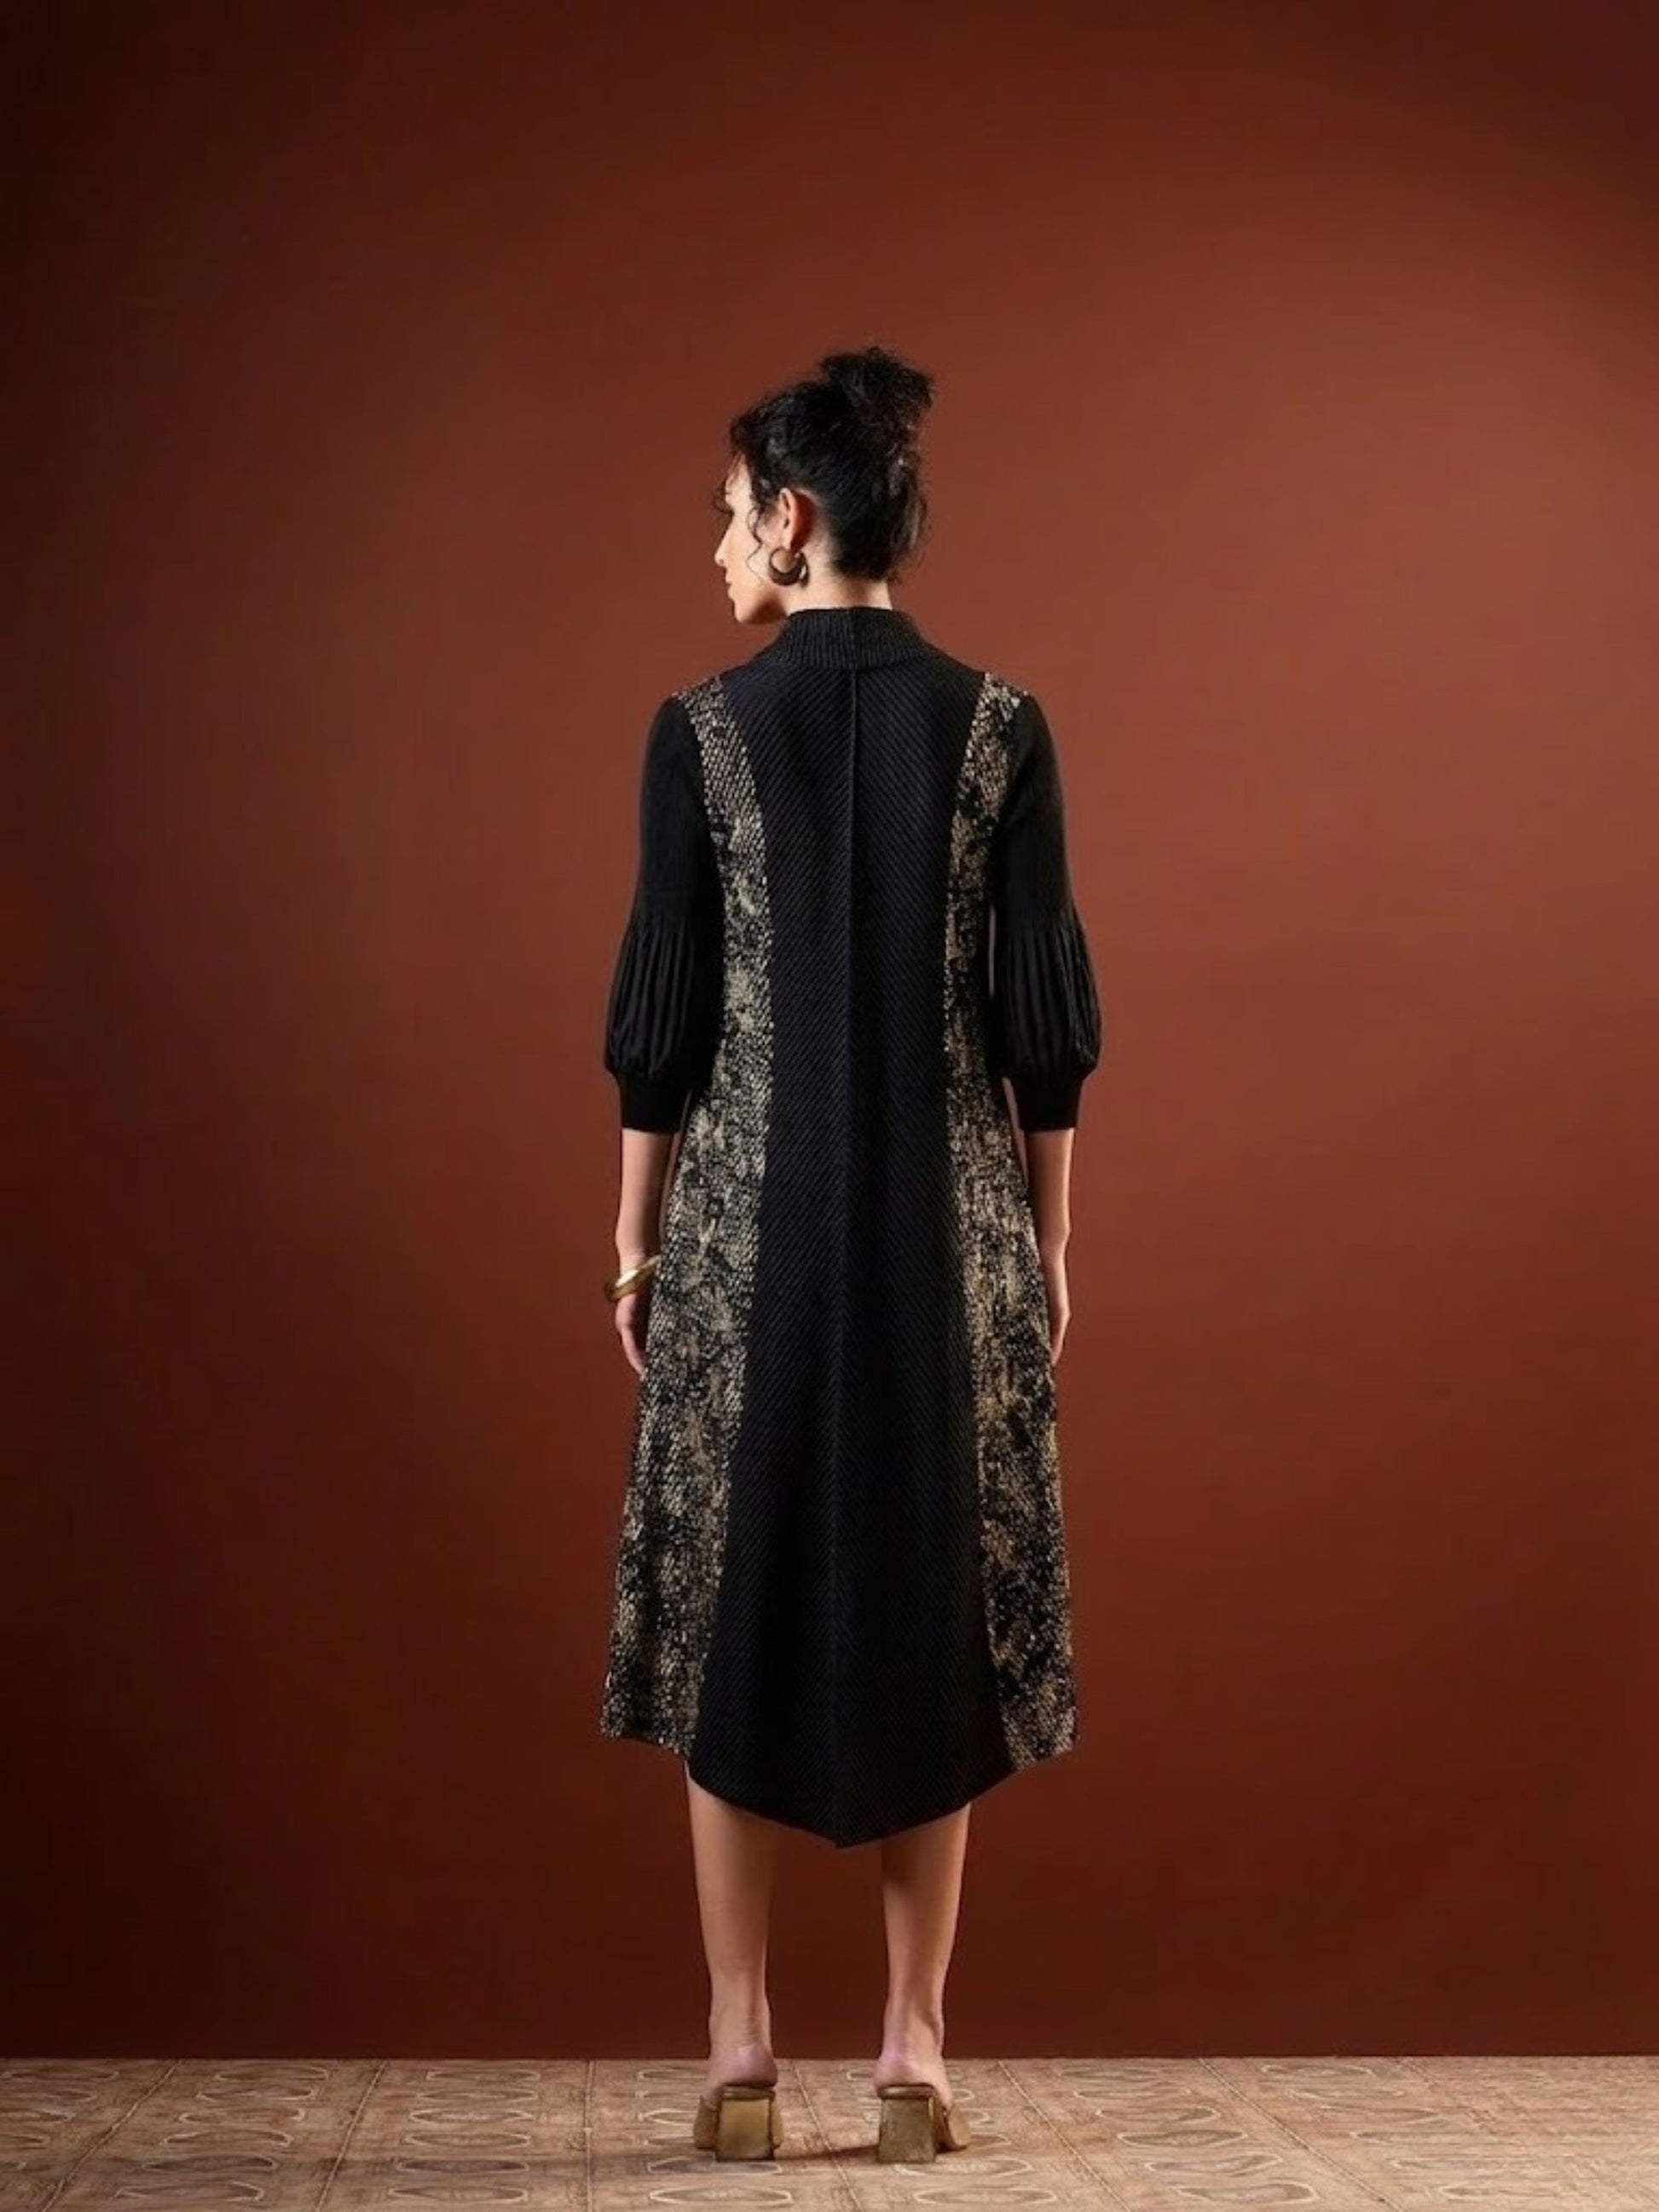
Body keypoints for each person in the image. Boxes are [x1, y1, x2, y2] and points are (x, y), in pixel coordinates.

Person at [598, 344, 1102, 2164]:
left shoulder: (700, 732)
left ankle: (739, 2039)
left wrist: (634, 1240)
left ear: (793, 517)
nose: (715, 547)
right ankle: (912, 2047)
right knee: (934, 1615)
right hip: (947, 1234)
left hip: (747, 1233)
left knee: (722, 1614)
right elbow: (1041, 1027)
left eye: (729, 515)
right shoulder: (1004, 727)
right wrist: (1047, 1238)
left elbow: (663, 1026)